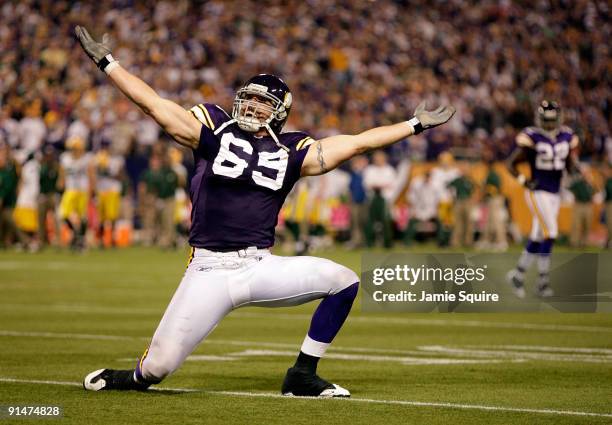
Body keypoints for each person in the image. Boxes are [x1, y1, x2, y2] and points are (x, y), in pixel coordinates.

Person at [75, 26, 454, 397]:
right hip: (209, 267)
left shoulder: (293, 150)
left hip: (259, 264)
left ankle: (303, 374)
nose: (253, 106)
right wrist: (109, 63)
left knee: (344, 280)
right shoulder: (213, 128)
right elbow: (154, 105)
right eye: (249, 98)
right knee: (157, 369)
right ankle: (132, 378)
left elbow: (356, 144)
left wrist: (414, 124)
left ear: (280, 112)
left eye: (263, 102)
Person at [506, 100, 582, 298]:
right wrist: (524, 181)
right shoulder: (532, 137)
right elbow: (511, 164)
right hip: (538, 191)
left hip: (555, 192)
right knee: (551, 233)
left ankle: (518, 275)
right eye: (546, 121)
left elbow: (568, 162)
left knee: (538, 236)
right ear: (539, 120)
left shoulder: (567, 135)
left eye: (552, 120)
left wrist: (575, 170)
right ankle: (542, 282)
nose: (549, 124)